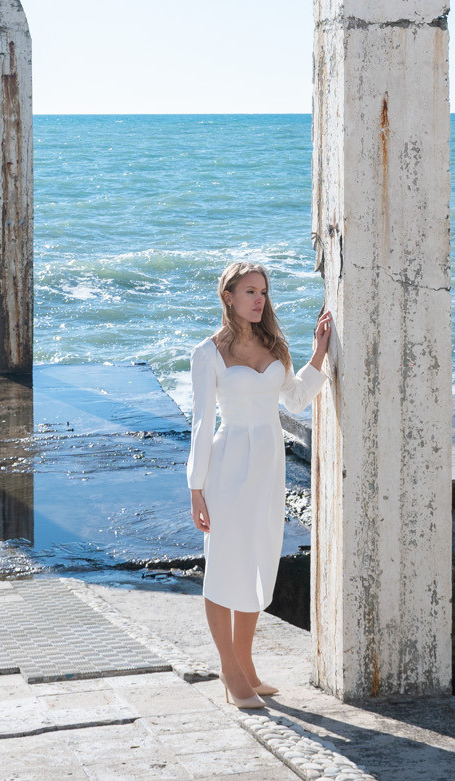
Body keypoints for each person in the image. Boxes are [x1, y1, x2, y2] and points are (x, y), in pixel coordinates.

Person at [187, 261, 332, 709]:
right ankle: (230, 673)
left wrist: (318, 354)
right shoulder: (207, 354)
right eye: (249, 291)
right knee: (223, 567)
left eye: (263, 292)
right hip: (227, 466)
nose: (258, 299)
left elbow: (294, 400)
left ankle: (247, 666)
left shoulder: (274, 346)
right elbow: (200, 423)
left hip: (269, 469)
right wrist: (196, 488)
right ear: (227, 295)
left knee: (259, 562)